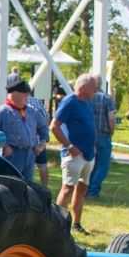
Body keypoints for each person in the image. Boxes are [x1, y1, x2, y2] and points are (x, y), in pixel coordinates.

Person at [51, 74, 104, 234]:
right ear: (83, 88)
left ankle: (76, 224)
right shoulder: (70, 102)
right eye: (93, 87)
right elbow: (54, 126)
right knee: (67, 188)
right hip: (74, 155)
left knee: (82, 189)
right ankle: (59, 226)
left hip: (88, 154)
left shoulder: (87, 103)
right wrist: (69, 146)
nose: (96, 90)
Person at [0, 74, 37, 178]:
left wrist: (42, 143)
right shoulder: (2, 111)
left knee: (28, 183)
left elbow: (43, 126)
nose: (27, 96)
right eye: (23, 93)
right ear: (13, 94)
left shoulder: (30, 111)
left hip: (29, 153)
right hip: (13, 154)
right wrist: (4, 146)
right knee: (12, 182)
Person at [83, 74, 119, 199]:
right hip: (103, 134)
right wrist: (112, 132)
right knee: (103, 165)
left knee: (90, 164)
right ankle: (94, 190)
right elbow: (111, 118)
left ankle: (86, 189)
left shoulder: (86, 99)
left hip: (88, 135)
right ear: (101, 83)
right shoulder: (106, 98)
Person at [26, 91, 52, 188]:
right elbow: (47, 118)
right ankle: (44, 187)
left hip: (26, 141)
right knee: (42, 165)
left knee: (26, 166)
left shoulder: (19, 103)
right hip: (38, 140)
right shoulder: (37, 101)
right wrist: (41, 130)